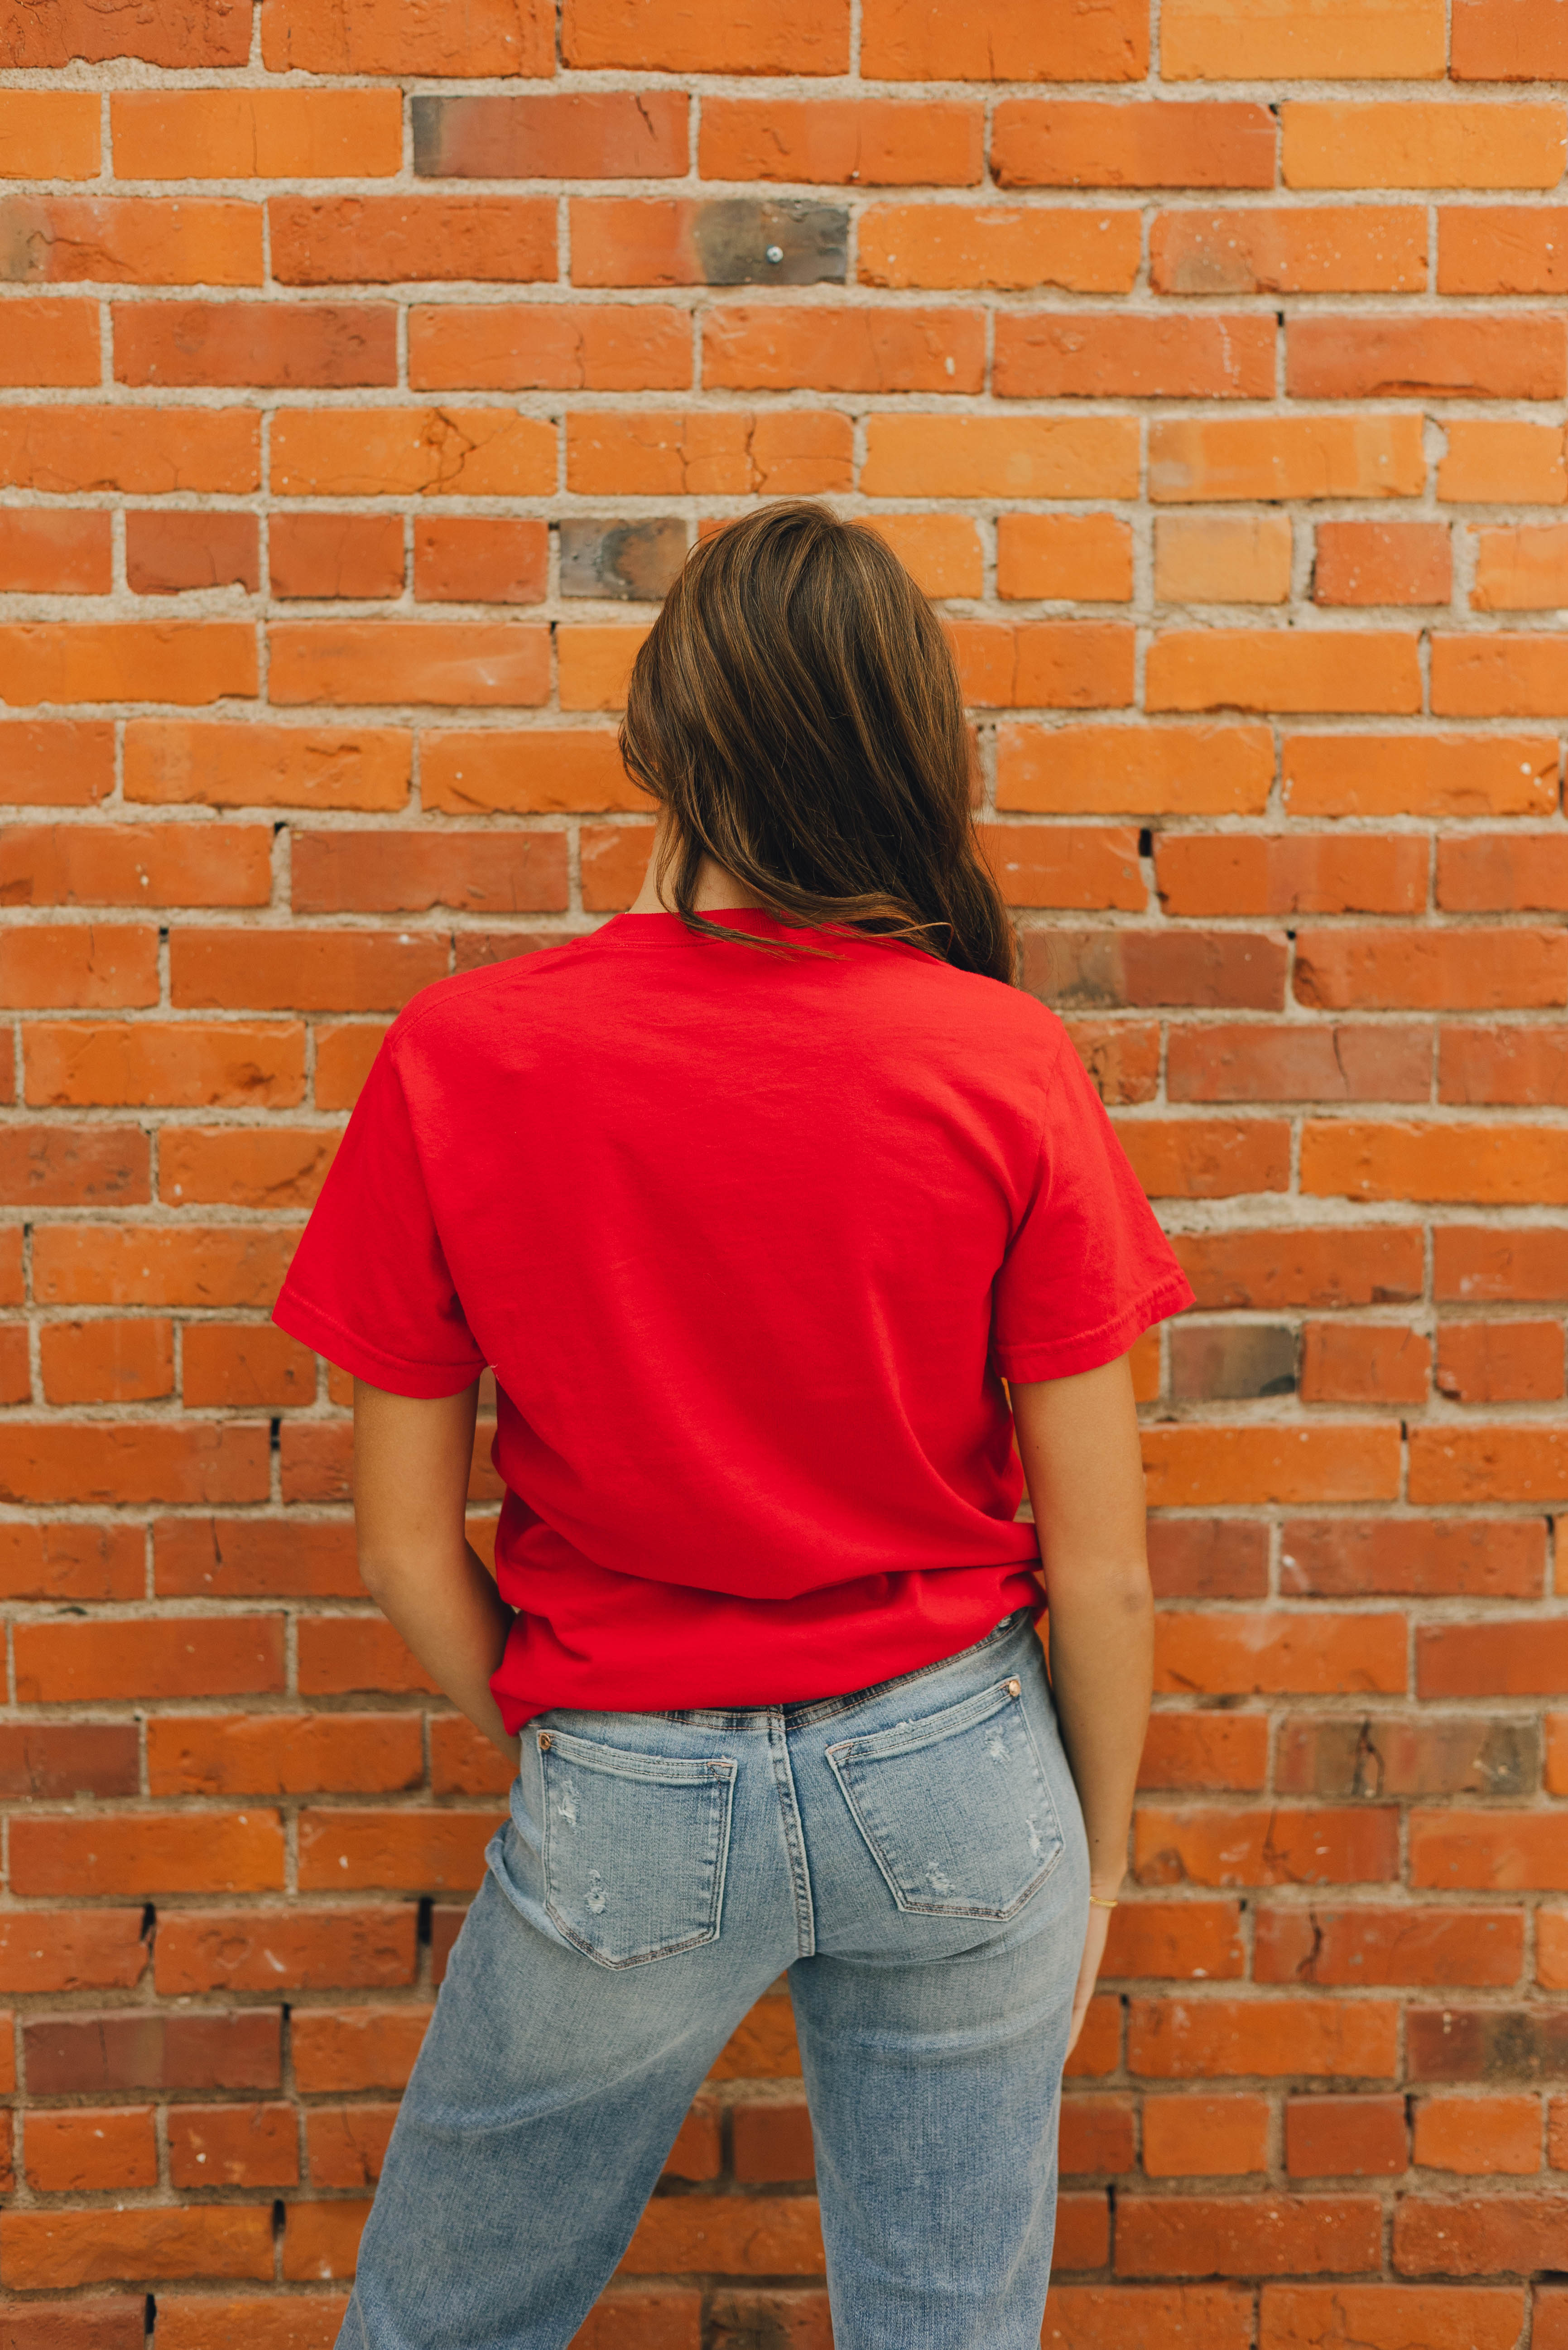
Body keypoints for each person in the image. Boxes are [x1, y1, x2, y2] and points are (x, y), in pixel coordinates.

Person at [272, 501, 1193, 2350]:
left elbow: (394, 1546)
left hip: (624, 1770)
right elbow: (1098, 1570)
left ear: (657, 737)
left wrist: (573, 1732)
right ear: (909, 754)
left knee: (443, 2320)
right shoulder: (997, 1059)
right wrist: (1090, 1855)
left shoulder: (464, 1054)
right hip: (958, 1772)